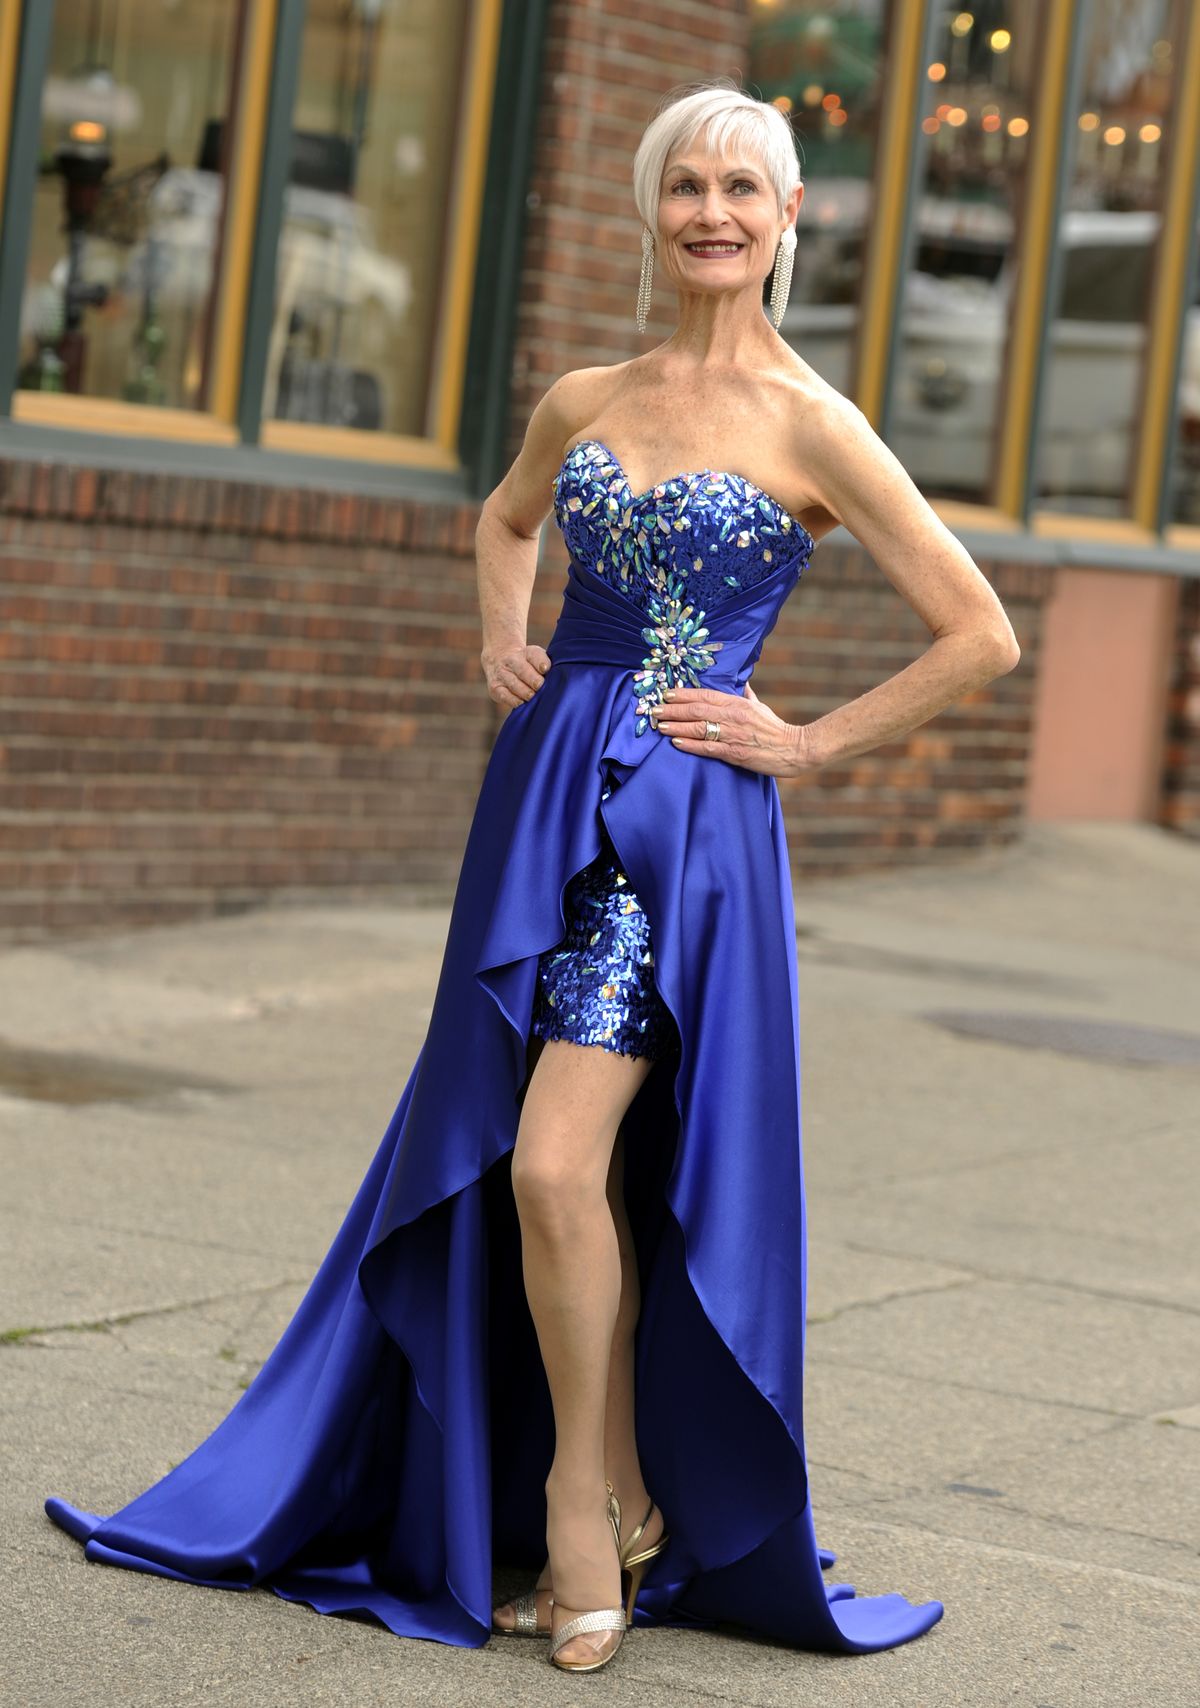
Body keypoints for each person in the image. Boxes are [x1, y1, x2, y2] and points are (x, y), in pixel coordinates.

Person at [44, 78, 1019, 1675]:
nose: (711, 212)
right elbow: (506, 522)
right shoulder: (584, 395)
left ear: (788, 221)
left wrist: (808, 743)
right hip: (542, 797)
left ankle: (585, 1500)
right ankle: (601, 1490)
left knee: (560, 1168)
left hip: (683, 832)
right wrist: (503, 639)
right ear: (655, 213)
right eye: (684, 186)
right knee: (547, 1160)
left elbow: (981, 632)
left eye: (742, 191)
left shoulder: (815, 426)